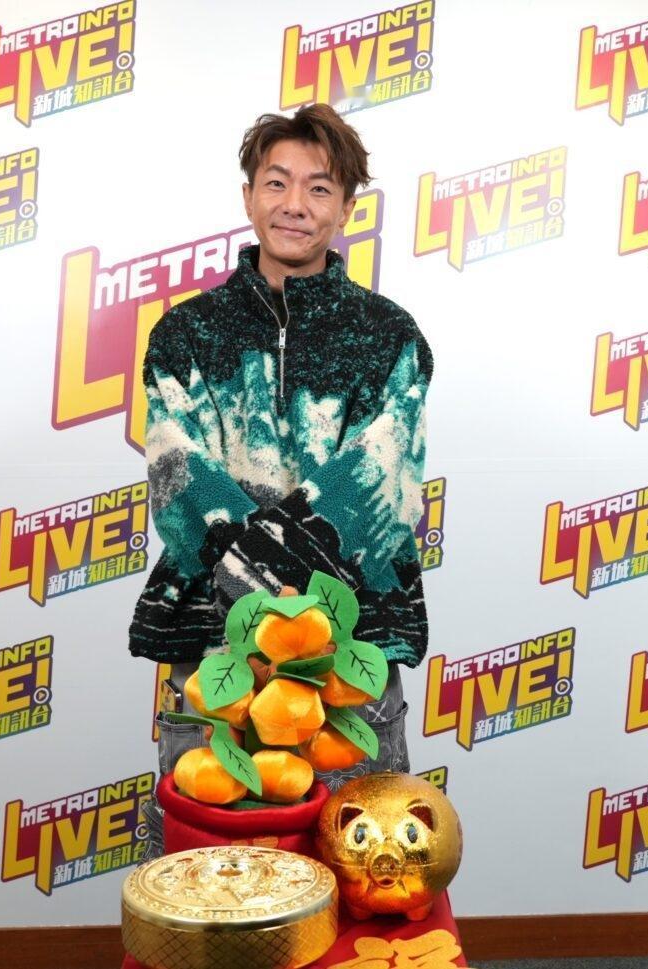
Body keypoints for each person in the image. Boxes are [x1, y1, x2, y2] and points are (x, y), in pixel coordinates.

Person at [128, 103, 434, 859]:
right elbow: (179, 480)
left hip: (352, 647)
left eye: (319, 188)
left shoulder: (391, 337)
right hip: (213, 646)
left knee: (361, 863)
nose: (295, 203)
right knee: (208, 872)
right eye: (277, 182)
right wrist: (271, 603)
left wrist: (292, 610)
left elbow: (384, 484)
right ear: (248, 196)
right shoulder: (184, 335)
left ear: (346, 208)